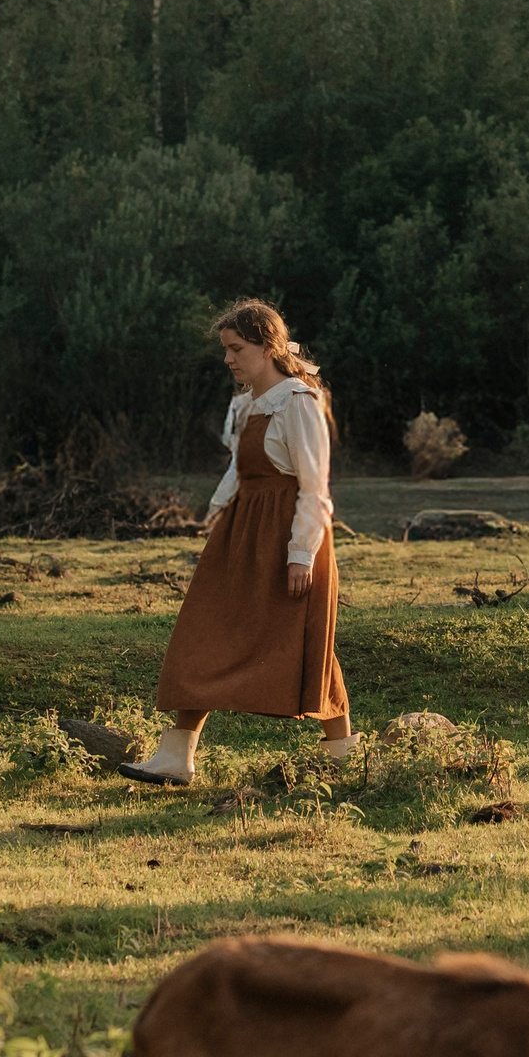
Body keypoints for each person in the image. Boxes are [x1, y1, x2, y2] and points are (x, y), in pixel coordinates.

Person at [123, 299, 349, 786]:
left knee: (303, 637)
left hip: (286, 536)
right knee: (202, 630)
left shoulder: (298, 403)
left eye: (236, 349)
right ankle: (175, 755)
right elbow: (239, 469)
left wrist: (300, 556)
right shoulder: (247, 403)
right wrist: (216, 514)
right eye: (225, 349)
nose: (227, 359)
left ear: (268, 347)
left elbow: (315, 488)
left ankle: (341, 754)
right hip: (242, 533)